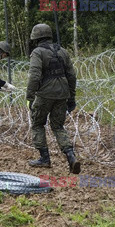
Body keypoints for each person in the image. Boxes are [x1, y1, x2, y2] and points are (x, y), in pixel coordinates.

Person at [26, 23, 80, 174]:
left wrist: (30, 96)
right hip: (62, 94)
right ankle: (71, 156)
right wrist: (71, 96)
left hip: (44, 94)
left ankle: (44, 158)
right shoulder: (63, 51)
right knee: (58, 126)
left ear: (36, 38)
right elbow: (71, 75)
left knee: (37, 124)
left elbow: (34, 76)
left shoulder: (37, 52)